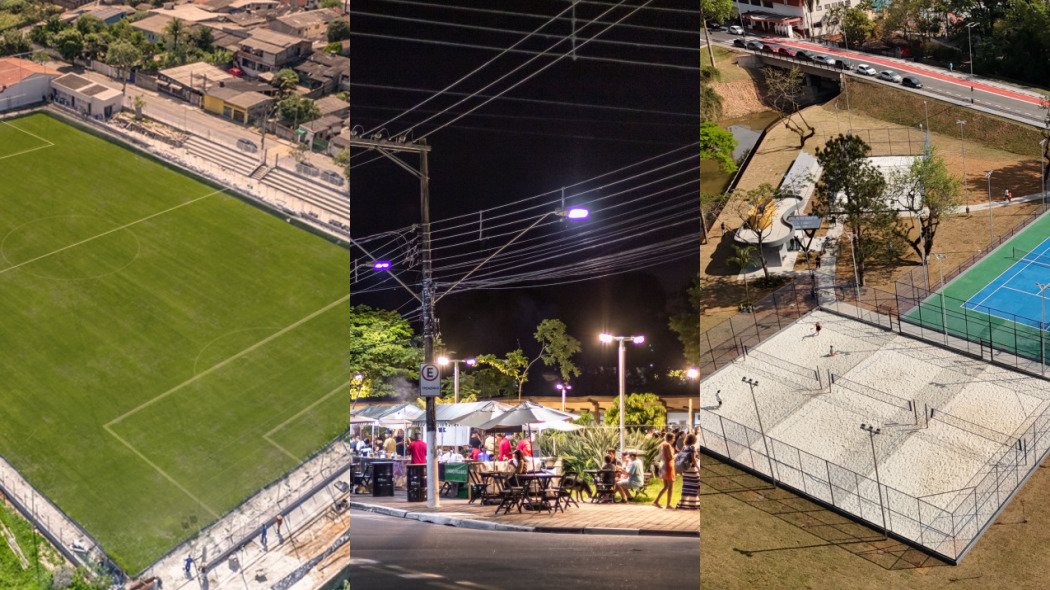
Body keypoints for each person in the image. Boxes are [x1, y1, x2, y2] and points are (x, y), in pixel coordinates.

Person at [675, 434, 701, 510]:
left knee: (686, 487)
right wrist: (698, 468)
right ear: (694, 440)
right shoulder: (692, 448)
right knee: (697, 485)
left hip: (685, 470)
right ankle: (694, 503)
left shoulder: (684, 447)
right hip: (692, 470)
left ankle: (683, 503)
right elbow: (693, 460)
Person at [653, 432, 676, 509]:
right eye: (673, 438)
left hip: (663, 465)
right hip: (669, 465)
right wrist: (677, 455)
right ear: (671, 438)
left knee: (665, 486)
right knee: (670, 486)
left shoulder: (662, 444)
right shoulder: (668, 445)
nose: (674, 440)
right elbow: (670, 456)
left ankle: (656, 501)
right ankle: (668, 504)